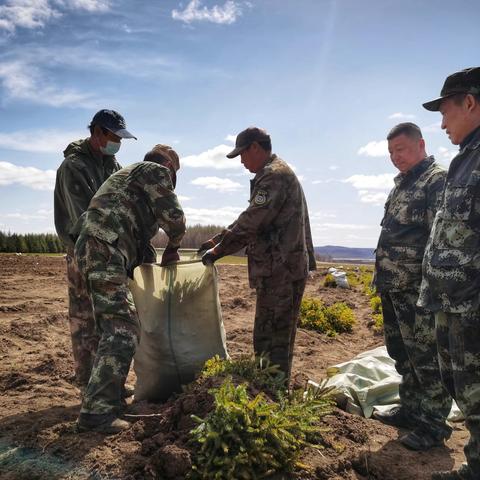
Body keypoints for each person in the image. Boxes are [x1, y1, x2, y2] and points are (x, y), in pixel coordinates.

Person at [74, 144, 186, 434]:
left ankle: (106, 391)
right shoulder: (155, 171)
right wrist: (173, 247)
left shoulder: (130, 181)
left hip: (96, 248)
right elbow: (174, 218)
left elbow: (138, 239)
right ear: (170, 168)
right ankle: (96, 414)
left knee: (109, 325)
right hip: (104, 248)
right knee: (123, 328)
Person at [198, 127, 316, 384]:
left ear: (255, 147)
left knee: (273, 340)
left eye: (242, 154)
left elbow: (253, 222)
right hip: (279, 269)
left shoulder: (273, 176)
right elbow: (251, 215)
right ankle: (269, 392)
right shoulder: (273, 173)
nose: (241, 161)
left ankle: (271, 398)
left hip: (281, 272)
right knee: (270, 336)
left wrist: (218, 251)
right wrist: (217, 239)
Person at [372, 123, 452, 451]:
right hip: (393, 286)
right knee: (402, 354)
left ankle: (434, 425)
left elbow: (439, 238)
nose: (395, 157)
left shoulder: (436, 181)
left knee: (426, 357)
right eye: (391, 152)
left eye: (400, 150)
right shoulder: (401, 186)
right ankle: (411, 409)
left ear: (420, 145)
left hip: (418, 290)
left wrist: (432, 290)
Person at [418, 67, 480, 480]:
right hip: (451, 301)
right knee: (466, 393)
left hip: (472, 304)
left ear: (470, 103)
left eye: (445, 111)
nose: (441, 122)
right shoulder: (465, 159)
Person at [54, 109, 136, 393]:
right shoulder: (73, 167)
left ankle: (107, 381)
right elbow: (85, 218)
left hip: (110, 252)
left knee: (107, 320)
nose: (119, 143)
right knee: (85, 320)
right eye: (114, 136)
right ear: (98, 132)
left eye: (121, 138)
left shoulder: (112, 165)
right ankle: (90, 386)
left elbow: (124, 205)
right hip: (84, 251)